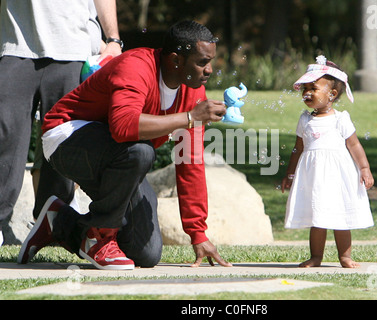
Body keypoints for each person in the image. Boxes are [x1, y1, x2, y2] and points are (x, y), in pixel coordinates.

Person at [18, 20, 233, 270]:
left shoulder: (193, 94)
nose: (209, 70)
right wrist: (189, 118)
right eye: (202, 62)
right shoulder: (136, 66)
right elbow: (123, 127)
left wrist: (198, 234)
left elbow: (189, 159)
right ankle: (100, 238)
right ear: (176, 60)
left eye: (210, 62)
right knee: (142, 151)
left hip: (120, 153)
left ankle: (59, 221)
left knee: (146, 253)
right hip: (66, 137)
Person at [0, 0, 122, 245]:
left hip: (73, 49)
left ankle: (53, 225)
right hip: (15, 44)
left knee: (63, 142)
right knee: (6, 134)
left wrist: (113, 40)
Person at [281, 55, 374, 268]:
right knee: (318, 217)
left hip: (338, 176)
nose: (307, 93)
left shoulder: (340, 119)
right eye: (305, 89)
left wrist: (364, 168)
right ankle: (316, 256)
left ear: (331, 94)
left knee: (340, 216)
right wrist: (290, 174)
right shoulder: (305, 119)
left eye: (313, 88)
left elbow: (354, 145)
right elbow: (298, 148)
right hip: (313, 177)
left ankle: (345, 256)